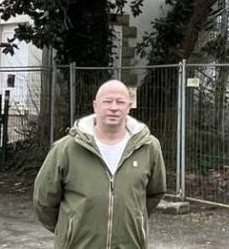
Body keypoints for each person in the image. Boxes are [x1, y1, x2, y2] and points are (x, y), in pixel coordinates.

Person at [33, 79, 167, 248]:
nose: (113, 107)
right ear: (95, 106)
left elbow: (155, 192)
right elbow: (44, 200)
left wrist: (134, 220)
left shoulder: (148, 147)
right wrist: (68, 230)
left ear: (129, 106)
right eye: (107, 101)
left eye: (120, 102)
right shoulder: (66, 149)